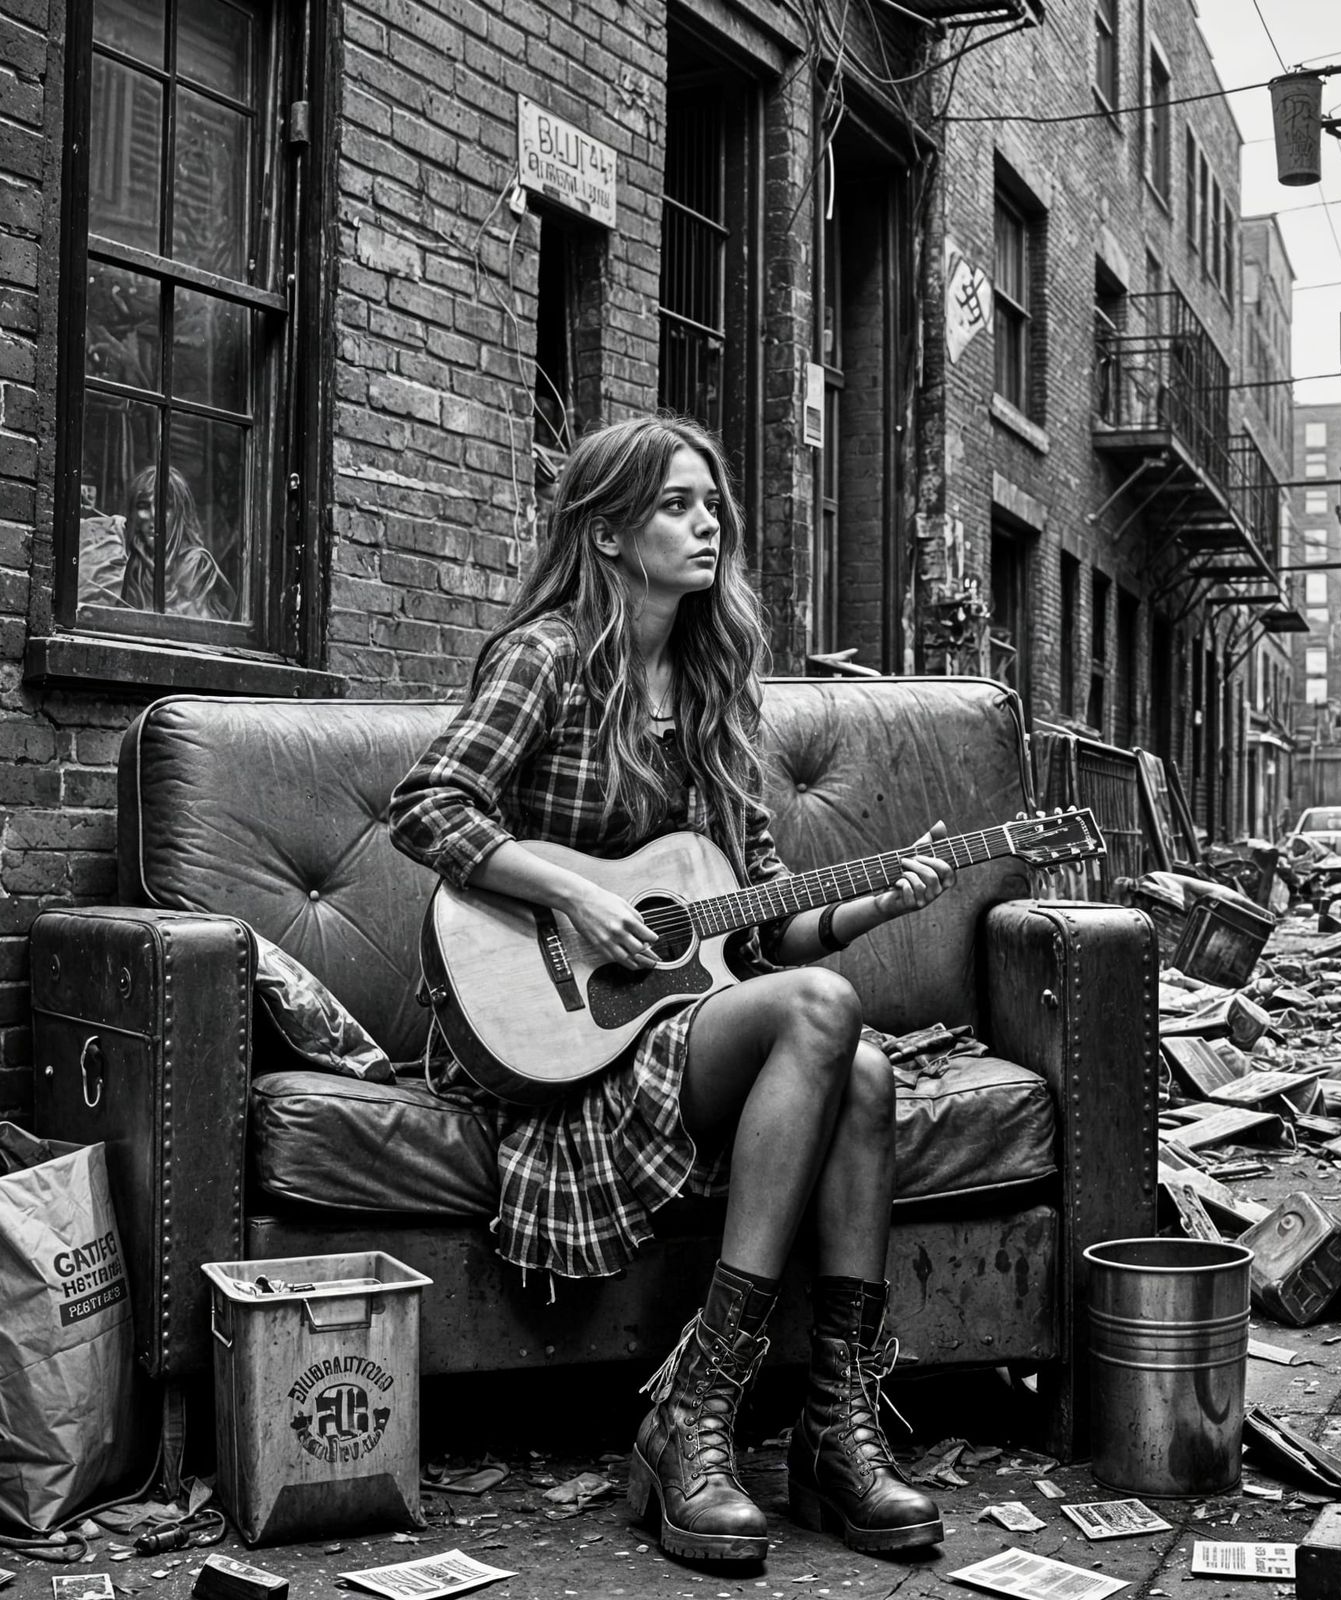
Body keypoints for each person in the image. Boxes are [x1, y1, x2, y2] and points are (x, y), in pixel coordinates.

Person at [389, 414, 954, 1565]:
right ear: (604, 533)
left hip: (672, 1027)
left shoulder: (713, 681)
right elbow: (428, 806)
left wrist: (876, 903)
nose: (708, 526)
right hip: (546, 1035)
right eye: (676, 505)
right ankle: (698, 1408)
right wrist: (573, 897)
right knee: (821, 1017)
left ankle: (832, 1432)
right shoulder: (547, 658)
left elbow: (764, 911)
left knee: (861, 1061)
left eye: (712, 506)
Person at [117, 464, 234, 621]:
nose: (154, 517)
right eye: (143, 506)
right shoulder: (136, 566)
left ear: (179, 513)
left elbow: (196, 628)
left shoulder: (195, 563)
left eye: (164, 506)